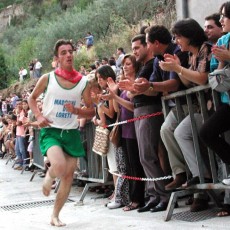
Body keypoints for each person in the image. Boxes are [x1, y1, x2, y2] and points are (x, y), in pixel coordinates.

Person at [28, 39, 94, 227]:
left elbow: (91, 110)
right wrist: (39, 116)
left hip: (71, 132)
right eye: (63, 52)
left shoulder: (83, 82)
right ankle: (49, 176)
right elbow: (32, 99)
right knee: (58, 165)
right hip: (51, 130)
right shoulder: (47, 78)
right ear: (56, 58)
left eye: (70, 51)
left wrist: (77, 112)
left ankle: (55, 215)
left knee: (68, 176)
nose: (68, 55)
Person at [159, 18, 212, 212]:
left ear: (189, 35)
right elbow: (189, 82)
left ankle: (202, 178)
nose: (176, 40)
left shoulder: (206, 48)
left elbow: (202, 78)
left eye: (178, 36)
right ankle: (185, 175)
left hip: (208, 106)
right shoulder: (189, 55)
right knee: (169, 130)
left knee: (181, 132)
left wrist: (177, 68)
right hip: (196, 105)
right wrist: (177, 67)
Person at [118, 34, 171, 213]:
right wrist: (134, 88)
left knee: (148, 156)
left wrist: (137, 88)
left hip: (149, 110)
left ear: (147, 46)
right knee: (144, 157)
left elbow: (150, 90)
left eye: (137, 48)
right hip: (141, 110)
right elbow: (133, 93)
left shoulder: (153, 64)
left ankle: (163, 195)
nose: (135, 52)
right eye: (132, 49)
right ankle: (154, 195)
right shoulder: (144, 67)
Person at [199, 1, 230, 217]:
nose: (221, 20)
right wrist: (221, 62)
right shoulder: (222, 40)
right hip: (227, 102)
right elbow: (214, 76)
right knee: (206, 132)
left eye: (224, 16)